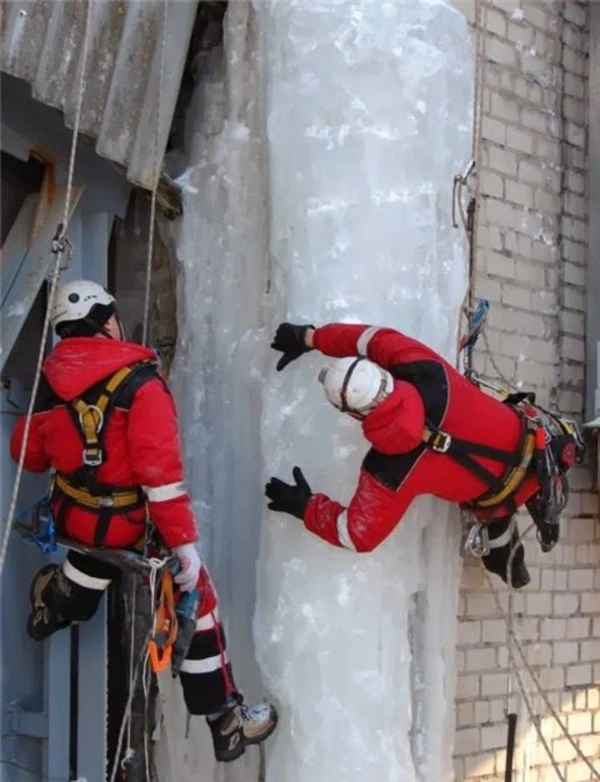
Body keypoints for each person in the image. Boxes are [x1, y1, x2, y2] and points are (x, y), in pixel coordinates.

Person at [10, 280, 277, 762]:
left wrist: (55, 424)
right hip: (127, 523)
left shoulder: (54, 383)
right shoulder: (140, 383)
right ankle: (226, 718)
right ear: (106, 320)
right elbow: (161, 477)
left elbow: (25, 453)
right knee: (197, 601)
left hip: (74, 517)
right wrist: (185, 547)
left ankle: (53, 608)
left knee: (94, 560)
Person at [265, 322, 584, 588]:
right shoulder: (423, 369)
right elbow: (369, 339)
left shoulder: (389, 467)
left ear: (352, 414)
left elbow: (358, 534)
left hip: (499, 501)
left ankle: (512, 572)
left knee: (501, 552)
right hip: (541, 448)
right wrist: (310, 337)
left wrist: (304, 506)